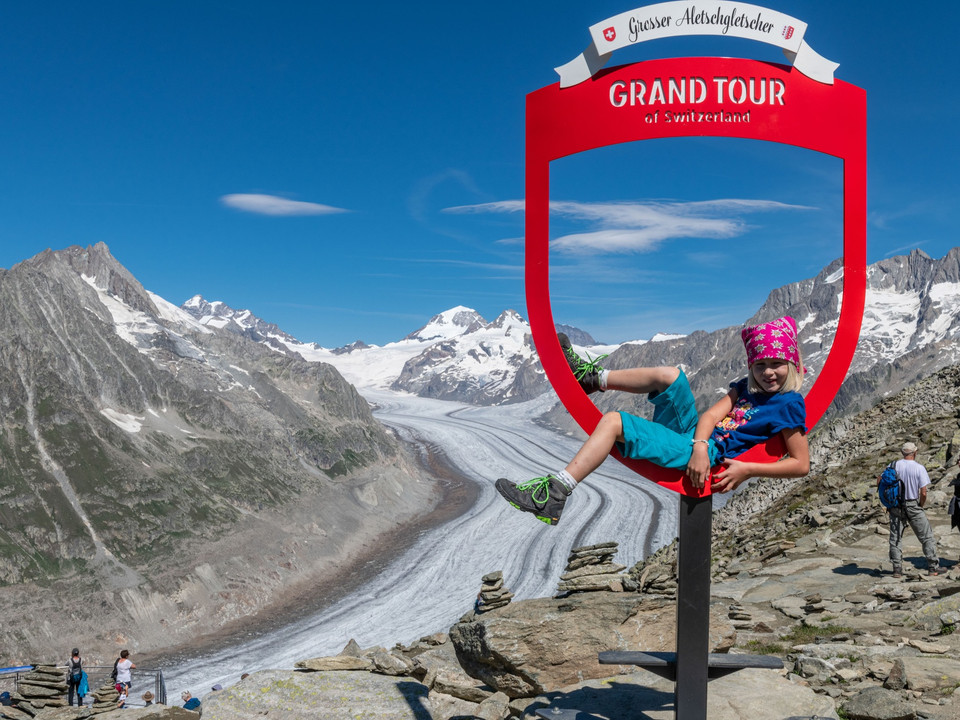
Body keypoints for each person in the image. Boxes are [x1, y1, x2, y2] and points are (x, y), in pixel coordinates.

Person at [496, 316, 810, 525]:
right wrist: (700, 444)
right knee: (671, 376)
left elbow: (801, 464)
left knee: (614, 421)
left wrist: (745, 469)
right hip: (698, 444)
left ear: (792, 363)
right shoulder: (745, 388)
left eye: (777, 363)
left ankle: (555, 493)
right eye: (760, 364)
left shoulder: (788, 405)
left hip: (710, 459)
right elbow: (712, 416)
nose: (768, 371)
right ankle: (591, 379)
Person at [886, 441, 940, 578]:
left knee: (895, 537)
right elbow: (923, 492)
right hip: (912, 504)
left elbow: (880, 481)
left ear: (902, 453)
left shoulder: (892, 465)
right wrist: (920, 505)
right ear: (914, 453)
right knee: (926, 536)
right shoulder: (919, 468)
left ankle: (897, 569)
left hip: (896, 506)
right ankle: (933, 567)